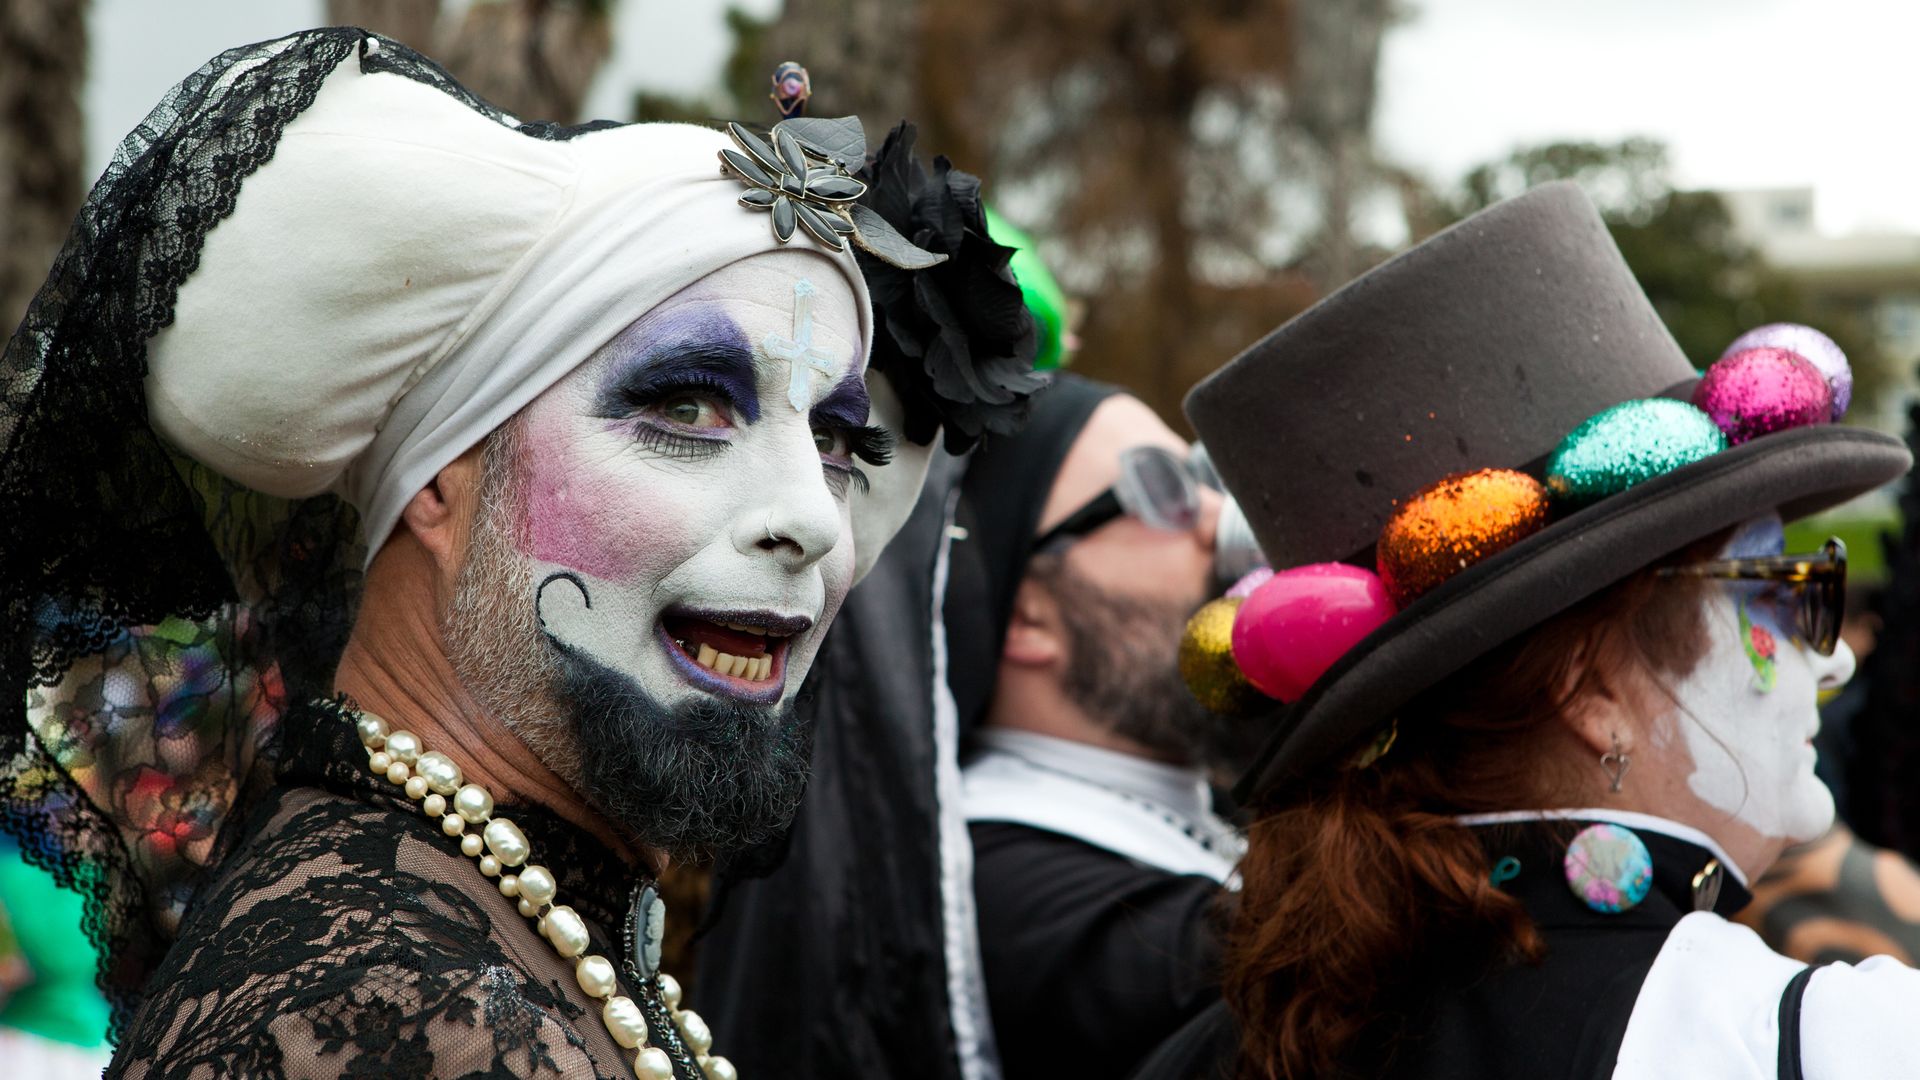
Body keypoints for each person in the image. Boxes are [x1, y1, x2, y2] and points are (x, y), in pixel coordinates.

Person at [0, 28, 998, 1079]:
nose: (816, 519)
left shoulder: (471, 947)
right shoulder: (409, 1015)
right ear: (442, 474)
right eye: (689, 404)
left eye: (837, 441)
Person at [1132, 181, 1920, 1079]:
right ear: (1588, 689)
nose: (1836, 659)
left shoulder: (1206, 1055)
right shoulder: (1821, 1046)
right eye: (1782, 591)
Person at [954, 372, 1253, 1080]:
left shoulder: (1199, 805)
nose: (1218, 520)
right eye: (1158, 490)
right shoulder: (1002, 888)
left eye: (1202, 477)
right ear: (1029, 616)